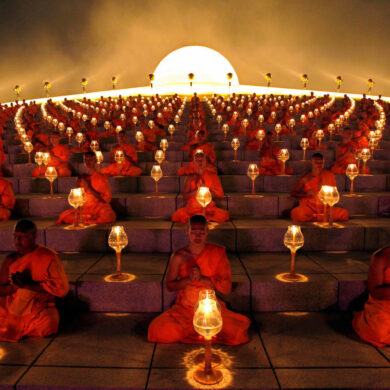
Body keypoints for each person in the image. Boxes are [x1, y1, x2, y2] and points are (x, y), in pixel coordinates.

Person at [148, 214, 250, 345]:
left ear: (207, 231)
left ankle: (201, 331)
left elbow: (226, 289)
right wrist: (188, 280)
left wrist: (202, 279)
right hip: (185, 308)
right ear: (187, 231)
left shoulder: (216, 253)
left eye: (201, 232)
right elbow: (170, 286)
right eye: (193, 232)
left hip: (209, 306)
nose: (197, 236)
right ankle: (201, 332)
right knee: (158, 330)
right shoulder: (179, 256)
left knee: (235, 332)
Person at [0, 220, 69, 342]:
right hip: (13, 305)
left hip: (37, 307)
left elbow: (61, 289)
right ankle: (17, 325)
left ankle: (18, 326)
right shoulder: (10, 259)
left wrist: (28, 285)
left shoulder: (48, 257)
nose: (17, 241)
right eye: (15, 236)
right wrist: (14, 287)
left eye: (23, 237)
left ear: (34, 236)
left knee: (48, 325)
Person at [57, 152, 116, 224]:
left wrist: (89, 187)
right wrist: (78, 184)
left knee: (108, 215)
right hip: (86, 208)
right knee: (65, 216)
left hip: (98, 207)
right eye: (86, 160)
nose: (88, 162)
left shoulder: (101, 177)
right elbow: (77, 196)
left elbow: (105, 199)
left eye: (90, 160)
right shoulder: (82, 177)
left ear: (95, 161)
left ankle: (86, 220)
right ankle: (89, 219)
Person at [172, 151, 229, 223]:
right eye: (197, 160)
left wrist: (206, 190)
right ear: (194, 162)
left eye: (202, 160)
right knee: (178, 216)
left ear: (206, 161)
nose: (200, 162)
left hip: (208, 207)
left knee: (223, 216)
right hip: (193, 207)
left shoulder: (213, 176)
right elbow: (185, 196)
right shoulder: (190, 177)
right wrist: (197, 190)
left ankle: (202, 217)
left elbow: (219, 194)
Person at [291, 153, 349, 222]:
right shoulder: (306, 178)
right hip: (310, 207)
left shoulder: (329, 175)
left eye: (321, 163)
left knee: (344, 214)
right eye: (316, 162)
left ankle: (316, 217)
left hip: (326, 207)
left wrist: (328, 196)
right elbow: (293, 193)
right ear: (311, 163)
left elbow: (334, 192)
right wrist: (306, 195)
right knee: (298, 213)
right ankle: (321, 217)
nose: (319, 165)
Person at [353, 245, 390, 347]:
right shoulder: (381, 257)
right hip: (384, 302)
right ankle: (362, 320)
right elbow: (375, 291)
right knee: (379, 332)